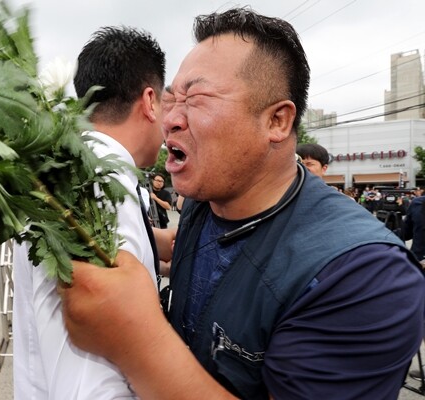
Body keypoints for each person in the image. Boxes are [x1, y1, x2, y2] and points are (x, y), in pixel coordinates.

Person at [60, 7, 425, 400]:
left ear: (277, 122)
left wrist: (134, 341)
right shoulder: (209, 199)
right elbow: (191, 248)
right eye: (171, 101)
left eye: (196, 98)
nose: (169, 121)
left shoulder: (365, 277)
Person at [12, 26, 170, 399]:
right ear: (149, 100)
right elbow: (93, 381)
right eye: (166, 103)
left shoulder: (67, 170)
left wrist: (153, 244)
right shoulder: (101, 187)